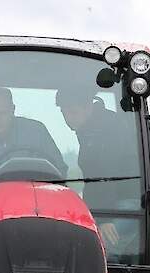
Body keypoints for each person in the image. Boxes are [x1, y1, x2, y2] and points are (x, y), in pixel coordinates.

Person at [56, 85, 142, 256]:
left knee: (101, 248)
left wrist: (105, 218)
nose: (68, 118)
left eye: (73, 112)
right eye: (64, 112)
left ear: (88, 106)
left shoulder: (107, 131)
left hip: (126, 203)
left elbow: (106, 176)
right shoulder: (91, 129)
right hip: (110, 203)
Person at [0, 87, 67, 199]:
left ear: (13, 110)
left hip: (39, 202)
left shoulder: (37, 132)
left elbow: (59, 170)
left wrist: (46, 198)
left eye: (3, 113)